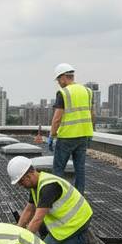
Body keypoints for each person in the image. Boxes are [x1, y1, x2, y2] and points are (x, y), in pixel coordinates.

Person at [6, 155, 99, 244]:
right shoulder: (36, 185)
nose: (21, 185)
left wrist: (24, 242)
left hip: (78, 221)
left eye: (21, 181)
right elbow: (29, 210)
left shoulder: (48, 187)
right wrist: (18, 231)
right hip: (64, 220)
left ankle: (84, 240)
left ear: (29, 175)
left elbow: (37, 219)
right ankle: (68, 237)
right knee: (40, 229)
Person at [48, 62, 93, 192]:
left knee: (58, 169)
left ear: (63, 77)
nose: (58, 82)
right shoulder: (87, 91)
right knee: (80, 169)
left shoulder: (63, 93)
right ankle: (80, 196)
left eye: (58, 79)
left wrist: (52, 135)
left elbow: (57, 118)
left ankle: (59, 197)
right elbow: (91, 113)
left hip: (67, 137)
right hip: (84, 135)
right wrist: (90, 132)